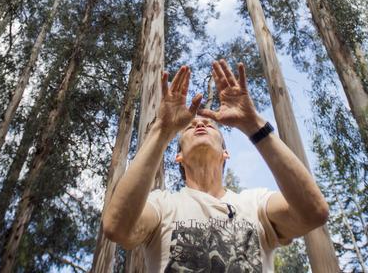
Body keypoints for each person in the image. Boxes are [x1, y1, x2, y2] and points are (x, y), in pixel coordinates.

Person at [102, 59, 329, 272]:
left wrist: (252, 124)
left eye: (209, 125)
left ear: (225, 153)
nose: (200, 122)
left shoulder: (255, 204)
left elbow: (313, 212)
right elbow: (117, 227)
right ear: (178, 157)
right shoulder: (162, 205)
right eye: (190, 127)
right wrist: (162, 130)